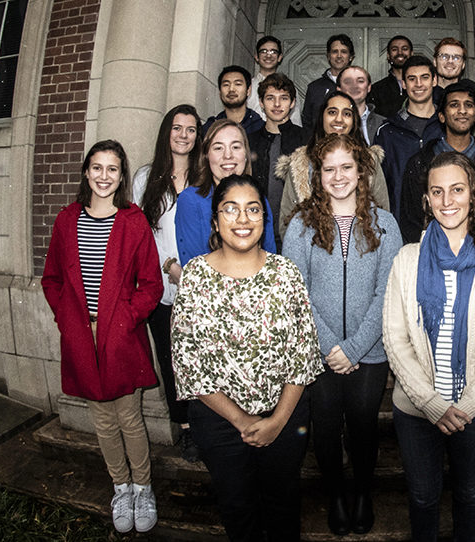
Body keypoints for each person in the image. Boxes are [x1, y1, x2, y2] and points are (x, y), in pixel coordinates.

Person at [383, 152, 475, 542]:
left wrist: (468, 404)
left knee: (468, 494)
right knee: (424, 498)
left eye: (457, 190)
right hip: (416, 409)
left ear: (473, 195)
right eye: (437, 191)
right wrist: (430, 402)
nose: (448, 200)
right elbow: (395, 338)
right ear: (426, 200)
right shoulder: (405, 260)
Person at [172, 174, 323, 542]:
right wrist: (241, 420)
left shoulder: (285, 273)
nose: (242, 219)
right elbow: (189, 364)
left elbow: (303, 354)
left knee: (283, 506)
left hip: (284, 416)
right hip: (219, 422)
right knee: (238, 510)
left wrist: (276, 421)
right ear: (215, 220)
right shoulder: (194, 276)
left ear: (264, 219)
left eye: (252, 209)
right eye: (231, 209)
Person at [282, 133, 402, 536]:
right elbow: (295, 290)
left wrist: (353, 348)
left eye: (346, 167)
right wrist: (331, 345)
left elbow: (387, 293)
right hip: (319, 352)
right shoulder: (300, 224)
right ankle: (335, 495)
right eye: (329, 169)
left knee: (364, 425)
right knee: (327, 427)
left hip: (369, 351)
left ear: (361, 171)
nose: (338, 176)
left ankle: (363, 493)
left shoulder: (385, 224)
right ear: (318, 174)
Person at [41, 140, 162, 534]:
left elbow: (151, 285)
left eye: (112, 169)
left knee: (129, 418)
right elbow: (53, 279)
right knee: (103, 422)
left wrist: (125, 319)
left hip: (121, 333)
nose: (104, 176)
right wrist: (68, 319)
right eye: (97, 168)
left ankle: (143, 487)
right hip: (82, 335)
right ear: (86, 173)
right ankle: (121, 487)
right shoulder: (66, 220)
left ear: (121, 176)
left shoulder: (133, 221)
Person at [130, 104, 203, 463]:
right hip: (163, 287)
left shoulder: (204, 176)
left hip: (202, 288)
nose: (184, 135)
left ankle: (206, 422)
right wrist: (167, 267)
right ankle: (186, 428)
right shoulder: (146, 177)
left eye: (191, 129)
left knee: (202, 358)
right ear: (166, 133)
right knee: (172, 360)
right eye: (177, 128)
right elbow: (139, 234)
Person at [398, 83, 475, 243]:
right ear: (442, 116)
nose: (462, 111)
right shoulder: (420, 162)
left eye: (469, 105)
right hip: (434, 252)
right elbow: (411, 220)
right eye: (454, 105)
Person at [276, 90, 389, 236]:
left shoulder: (369, 160)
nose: (339, 119)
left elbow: (383, 215)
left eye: (347, 114)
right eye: (332, 112)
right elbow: (287, 222)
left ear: (354, 121)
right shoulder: (300, 162)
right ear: (322, 117)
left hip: (361, 249)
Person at [176, 119, 276, 266]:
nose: (228, 155)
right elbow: (195, 267)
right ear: (206, 155)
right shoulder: (190, 200)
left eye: (235, 147)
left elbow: (270, 259)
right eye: (218, 148)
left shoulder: (260, 200)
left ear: (246, 154)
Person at [374, 55, 443, 224]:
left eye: (424, 77)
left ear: (434, 81)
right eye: (412, 79)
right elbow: (378, 185)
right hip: (401, 225)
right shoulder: (387, 131)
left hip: (444, 222)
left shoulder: (447, 126)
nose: (418, 84)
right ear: (404, 84)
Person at [249, 73, 309, 252]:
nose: (276, 105)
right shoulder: (249, 140)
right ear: (261, 102)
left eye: (283, 98)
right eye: (270, 98)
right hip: (258, 230)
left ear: (292, 103)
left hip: (297, 230)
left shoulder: (306, 138)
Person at [430, 38, 475, 140]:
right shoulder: (422, 95)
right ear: (435, 61)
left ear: (463, 65)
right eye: (444, 56)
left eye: (456, 58)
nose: (450, 61)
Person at [302, 34, 355, 127]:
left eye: (343, 51)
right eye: (335, 51)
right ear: (328, 56)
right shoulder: (314, 87)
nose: (339, 56)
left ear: (351, 57)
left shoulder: (359, 87)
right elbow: (307, 123)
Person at [248, 36, 301, 127]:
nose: (268, 55)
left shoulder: (289, 87)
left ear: (280, 57)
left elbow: (295, 121)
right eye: (264, 51)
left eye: (273, 52)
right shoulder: (248, 87)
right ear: (256, 56)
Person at [208, 65, 264, 135]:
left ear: (248, 90)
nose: (231, 89)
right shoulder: (210, 128)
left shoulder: (261, 128)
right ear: (220, 92)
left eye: (238, 84)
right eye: (226, 85)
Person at [337, 65, 384, 146]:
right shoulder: (331, 122)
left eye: (360, 81)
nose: (354, 86)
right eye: (348, 81)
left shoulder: (383, 124)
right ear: (339, 89)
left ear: (369, 87)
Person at [371, 35, 413, 118]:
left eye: (404, 49)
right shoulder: (376, 89)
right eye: (394, 49)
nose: (400, 53)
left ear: (412, 53)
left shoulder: (422, 85)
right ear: (388, 56)